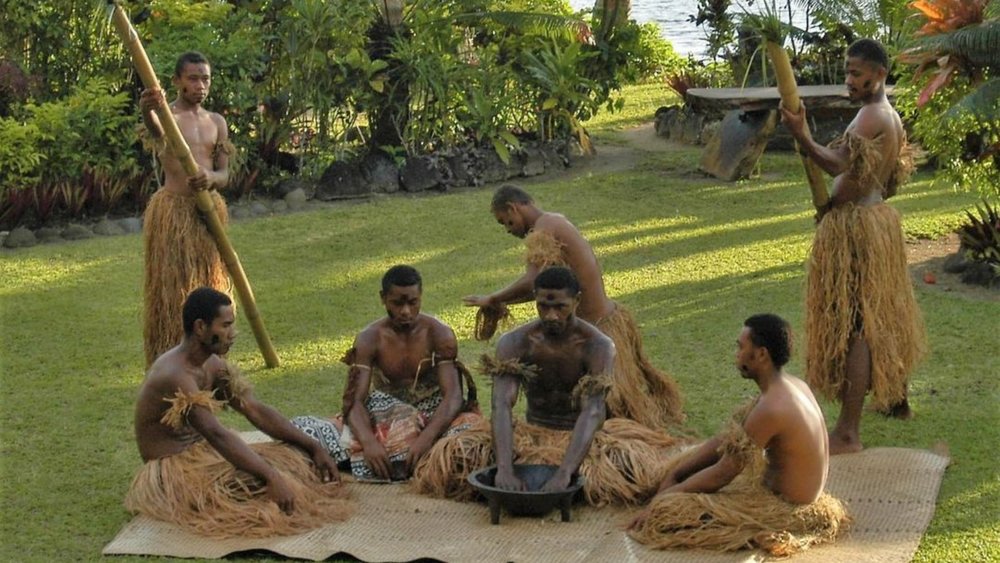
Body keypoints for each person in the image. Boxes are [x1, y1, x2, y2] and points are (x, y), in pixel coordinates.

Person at [414, 267, 685, 505]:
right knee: (456, 460)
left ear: (577, 301)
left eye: (560, 307)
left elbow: (593, 410)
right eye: (544, 306)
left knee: (635, 476)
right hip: (532, 432)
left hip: (583, 438)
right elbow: (501, 405)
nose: (552, 315)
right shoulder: (516, 342)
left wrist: (565, 472)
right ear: (535, 299)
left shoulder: (598, 346)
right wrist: (504, 468)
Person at [780, 38, 926, 454]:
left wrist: (802, 135)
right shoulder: (889, 115)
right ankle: (896, 399)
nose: (849, 80)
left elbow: (837, 164)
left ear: (879, 74)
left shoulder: (871, 116)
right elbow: (887, 181)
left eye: (856, 73)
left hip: (859, 229)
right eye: (847, 72)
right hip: (874, 221)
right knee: (878, 316)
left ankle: (847, 432)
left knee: (858, 327)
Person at [126, 287, 354, 538]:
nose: (233, 333)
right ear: (200, 327)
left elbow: (254, 410)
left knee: (295, 458)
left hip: (206, 454)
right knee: (258, 482)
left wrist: (312, 446)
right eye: (226, 325)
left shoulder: (213, 364)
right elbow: (216, 433)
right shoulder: (174, 374)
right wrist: (270, 477)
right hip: (173, 469)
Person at [463, 184, 684, 431]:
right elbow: (543, 290)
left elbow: (533, 281)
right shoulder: (554, 222)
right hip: (604, 322)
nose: (508, 229)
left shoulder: (546, 226)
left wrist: (493, 299)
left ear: (513, 207)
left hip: (600, 331)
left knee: (609, 417)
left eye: (506, 221)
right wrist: (501, 300)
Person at [627, 314, 849, 556]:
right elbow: (729, 440)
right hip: (780, 493)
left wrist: (664, 499)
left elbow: (724, 472)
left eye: (741, 347)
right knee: (678, 478)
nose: (737, 354)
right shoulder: (789, 385)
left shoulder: (772, 408)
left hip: (788, 508)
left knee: (669, 514)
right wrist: (676, 473)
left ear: (761, 354)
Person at [293, 265, 481, 482]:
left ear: (421, 297)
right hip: (386, 417)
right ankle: (402, 460)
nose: (406, 311)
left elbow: (453, 397)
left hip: (433, 416)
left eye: (413, 302)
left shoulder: (440, 334)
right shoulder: (369, 338)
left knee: (472, 438)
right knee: (303, 430)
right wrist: (368, 442)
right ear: (383, 298)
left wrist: (427, 437)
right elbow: (354, 401)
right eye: (397, 303)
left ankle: (399, 459)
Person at [140, 51, 234, 368]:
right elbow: (156, 129)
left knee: (208, 283)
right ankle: (169, 354)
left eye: (205, 79)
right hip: (173, 213)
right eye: (193, 79)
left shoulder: (216, 122)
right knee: (173, 289)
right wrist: (148, 109)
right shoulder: (169, 118)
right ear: (177, 80)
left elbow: (224, 174)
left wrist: (210, 177)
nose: (200, 85)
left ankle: (210, 355)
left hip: (207, 214)